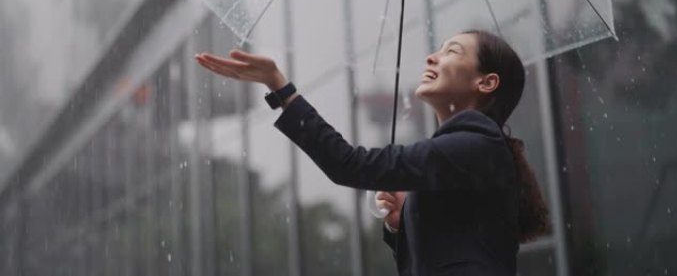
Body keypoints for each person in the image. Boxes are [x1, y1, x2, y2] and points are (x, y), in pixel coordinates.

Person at [195, 30, 550, 276]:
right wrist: (402, 225)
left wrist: (281, 88)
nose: (432, 55)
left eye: (452, 51)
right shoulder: (461, 152)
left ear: (486, 82)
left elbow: (349, 164)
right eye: (439, 48)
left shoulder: (474, 144)